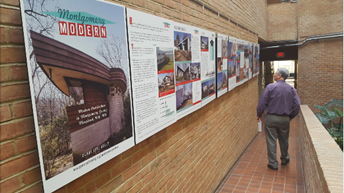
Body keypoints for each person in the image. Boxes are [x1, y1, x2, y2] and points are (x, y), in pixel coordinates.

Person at [256, 68, 300, 170]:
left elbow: (262, 103)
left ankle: (273, 163)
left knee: (271, 141)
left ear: (280, 76)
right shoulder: (291, 89)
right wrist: (291, 116)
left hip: (271, 118)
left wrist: (259, 114)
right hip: (285, 118)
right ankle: (284, 159)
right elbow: (297, 105)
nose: (274, 74)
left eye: (275, 73)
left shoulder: (270, 87)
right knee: (284, 140)